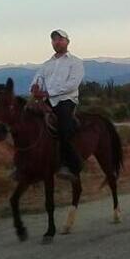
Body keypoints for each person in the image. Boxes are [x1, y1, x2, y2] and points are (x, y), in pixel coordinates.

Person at [29, 29, 85, 182]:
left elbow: (72, 84)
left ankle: (71, 164)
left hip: (66, 100)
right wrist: (35, 87)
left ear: (67, 41)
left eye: (60, 39)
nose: (57, 42)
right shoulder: (47, 64)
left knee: (64, 128)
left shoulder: (75, 62)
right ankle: (27, 162)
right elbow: (38, 78)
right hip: (47, 100)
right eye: (54, 40)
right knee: (26, 122)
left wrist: (48, 93)